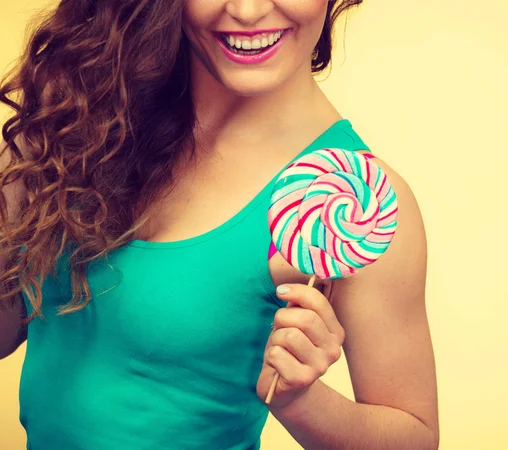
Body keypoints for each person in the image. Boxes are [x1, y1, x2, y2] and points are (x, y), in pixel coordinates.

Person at [0, 0, 439, 448]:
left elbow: (414, 438)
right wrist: (17, 209)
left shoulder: (351, 203)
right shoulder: (87, 117)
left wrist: (300, 400)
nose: (247, 11)